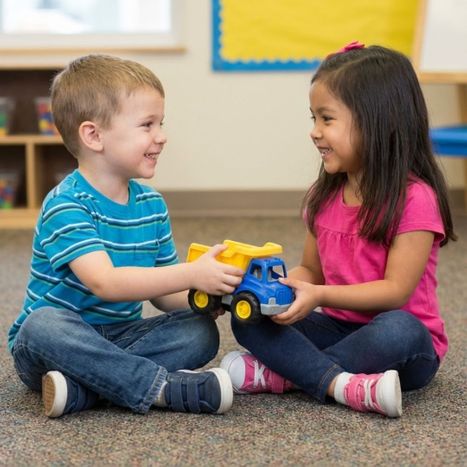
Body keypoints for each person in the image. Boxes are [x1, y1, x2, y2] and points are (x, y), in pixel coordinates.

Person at [220, 42, 457, 418]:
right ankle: (341, 384)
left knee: (400, 329)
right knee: (247, 318)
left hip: (401, 348)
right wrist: (275, 293)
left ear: (377, 120)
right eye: (313, 119)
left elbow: (395, 292)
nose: (314, 132)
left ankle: (289, 376)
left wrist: (318, 294)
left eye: (327, 119)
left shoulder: (415, 199)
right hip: (335, 326)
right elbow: (310, 271)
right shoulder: (323, 195)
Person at [8, 54, 244, 418]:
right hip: (55, 344)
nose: (161, 137)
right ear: (94, 135)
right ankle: (162, 389)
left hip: (122, 336)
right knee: (42, 324)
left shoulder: (152, 204)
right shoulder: (66, 204)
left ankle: (86, 389)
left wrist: (210, 296)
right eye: (147, 125)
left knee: (199, 332)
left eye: (161, 123)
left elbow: (165, 296)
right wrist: (192, 272)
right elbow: (106, 283)